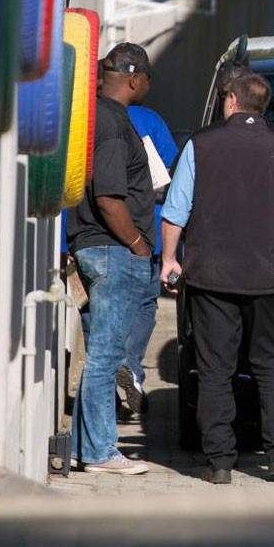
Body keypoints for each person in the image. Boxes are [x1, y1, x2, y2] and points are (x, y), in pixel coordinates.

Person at [160, 73, 274, 484]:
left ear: (232, 100)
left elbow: (175, 210)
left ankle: (219, 462)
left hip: (211, 276)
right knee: (271, 364)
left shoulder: (200, 144)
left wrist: (169, 259)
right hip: (269, 276)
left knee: (215, 368)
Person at [65, 43, 157, 475]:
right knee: (107, 354)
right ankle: (102, 451)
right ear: (134, 78)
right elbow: (108, 199)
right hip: (111, 248)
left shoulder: (98, 117)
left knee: (101, 354)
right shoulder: (112, 123)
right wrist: (138, 243)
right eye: (148, 80)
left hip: (96, 246)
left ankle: (88, 447)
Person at [113, 105, 179, 415]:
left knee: (99, 309)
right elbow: (170, 172)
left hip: (98, 230)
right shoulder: (147, 119)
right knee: (144, 303)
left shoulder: (86, 113)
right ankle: (130, 368)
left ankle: (104, 383)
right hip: (145, 230)